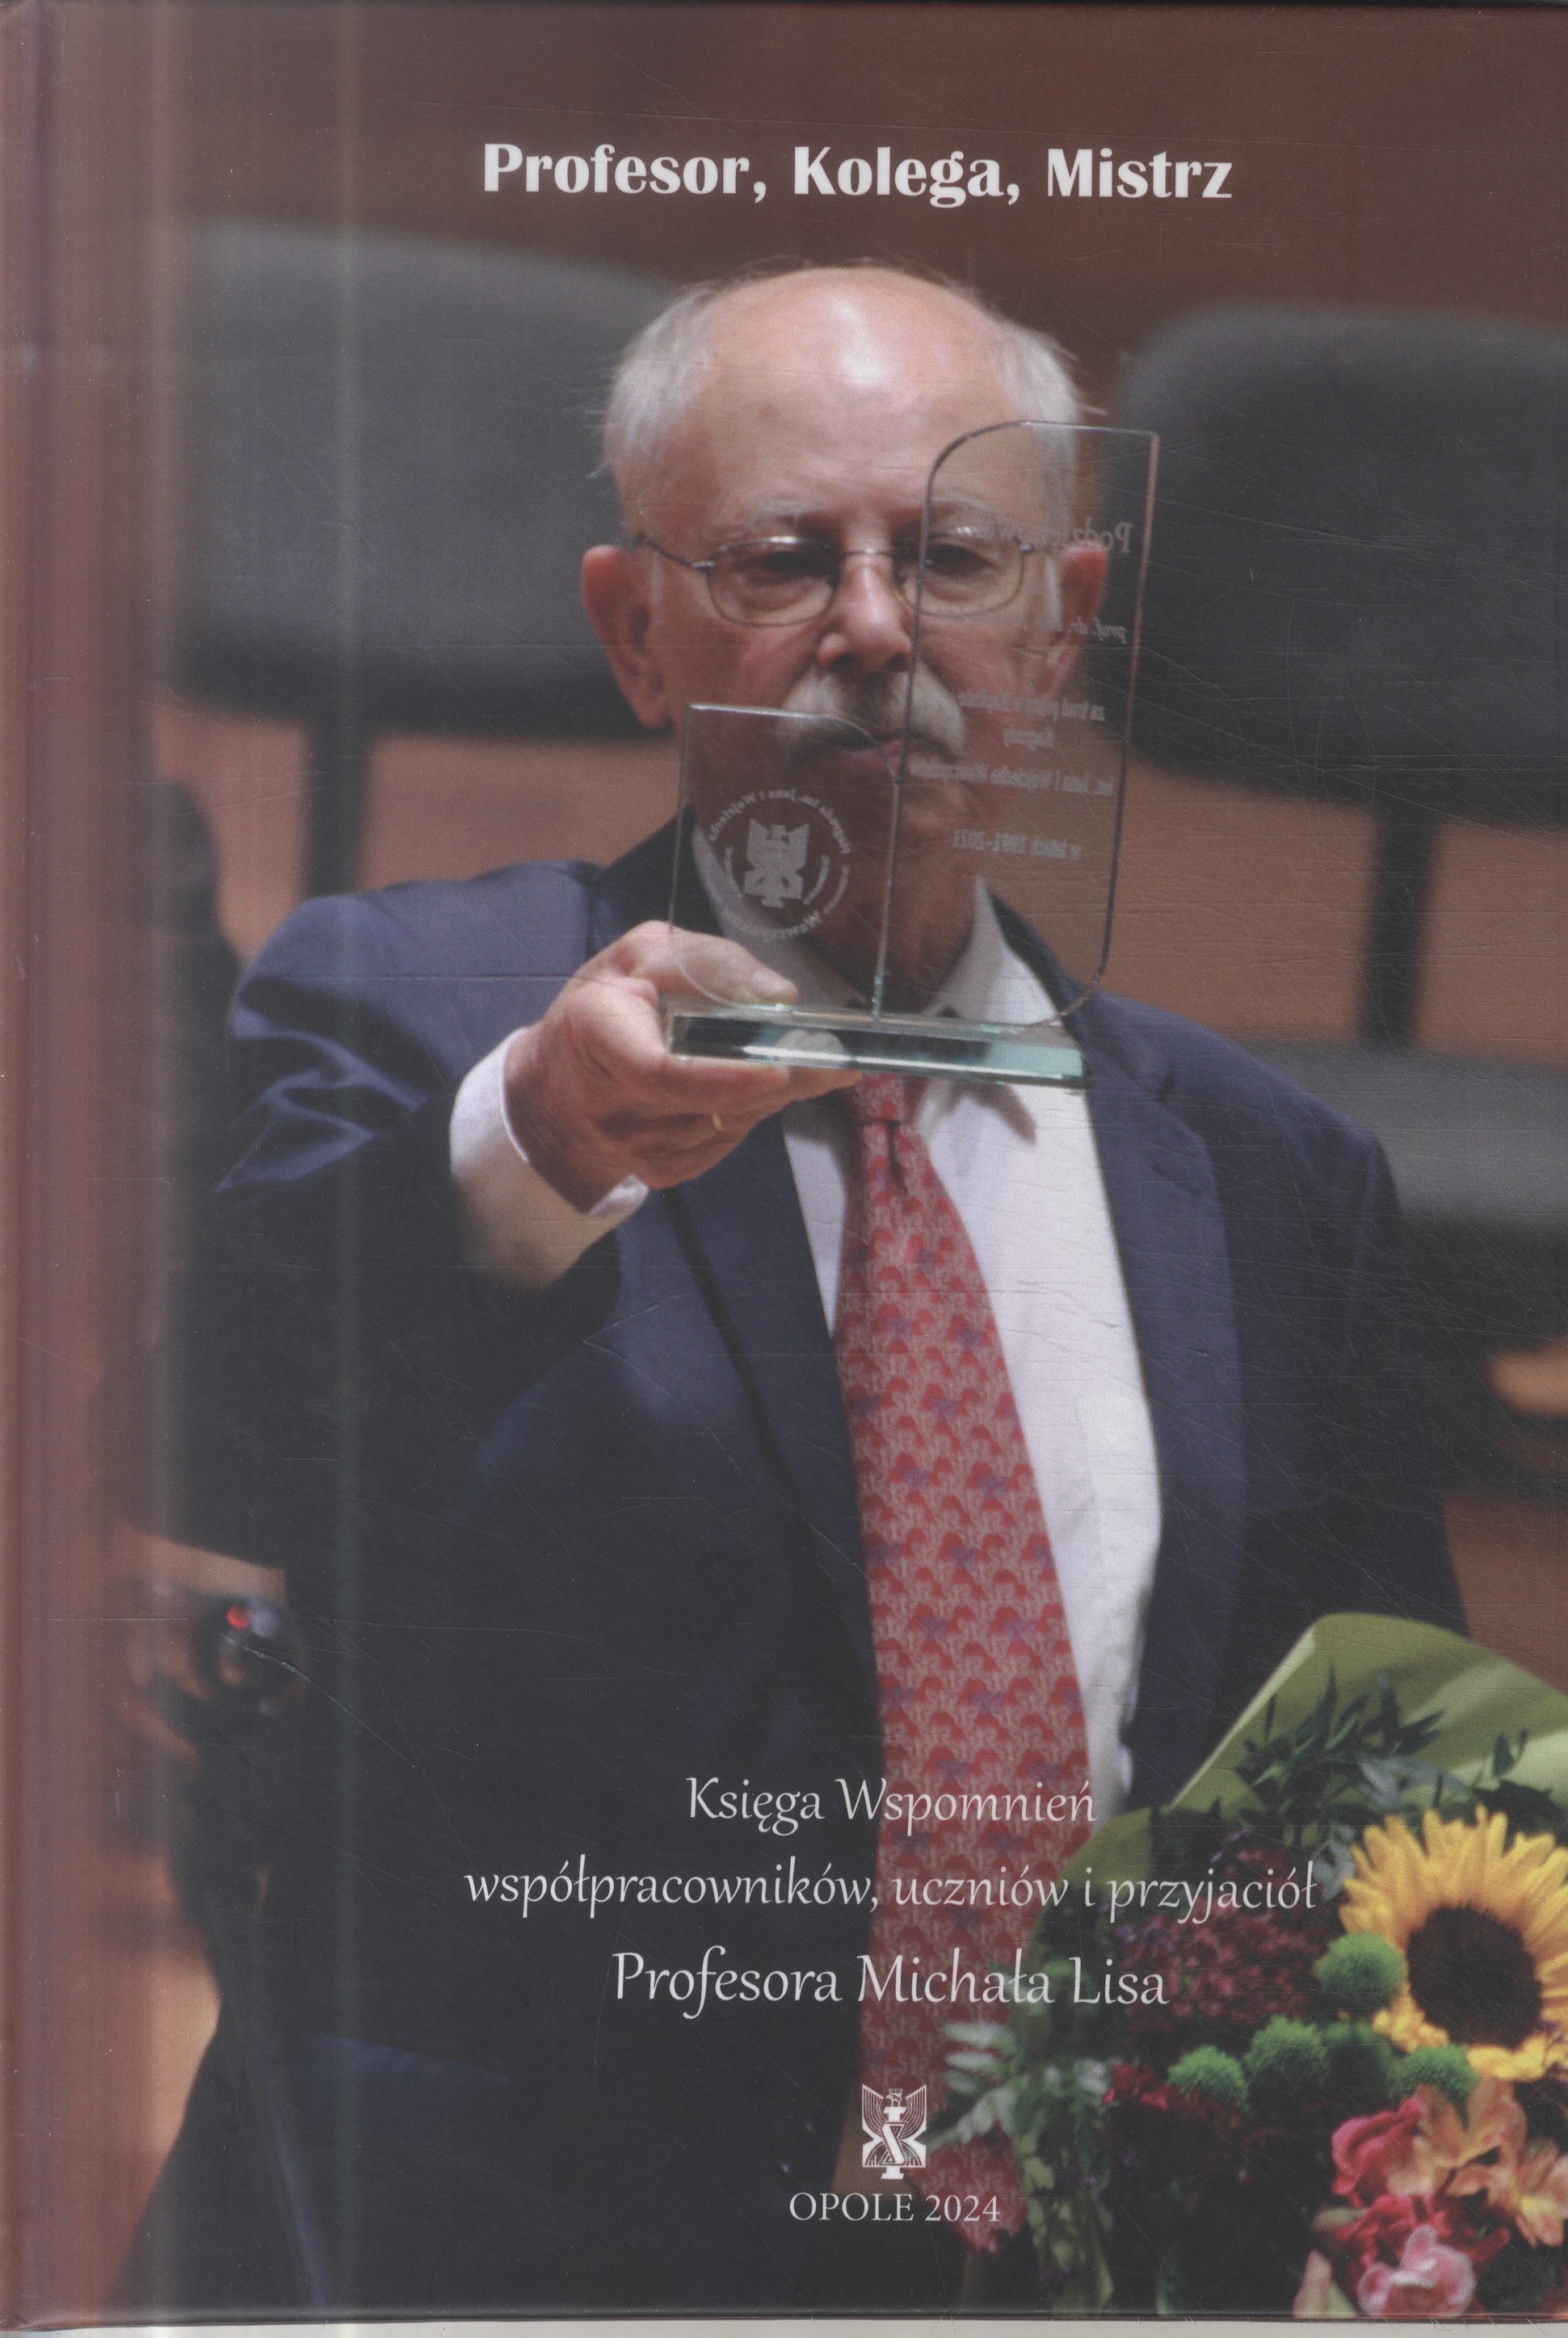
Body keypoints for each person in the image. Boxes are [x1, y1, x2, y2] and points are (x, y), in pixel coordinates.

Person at [120, 263, 1463, 2315]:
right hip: (486, 2254)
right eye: (778, 559)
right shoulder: (419, 1009)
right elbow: (219, 1429)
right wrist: (541, 1133)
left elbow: (1391, 1796)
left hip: (1060, 2264)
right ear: (633, 633)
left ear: (1063, 625)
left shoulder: (1275, 1182)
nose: (873, 627)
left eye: (950, 557)